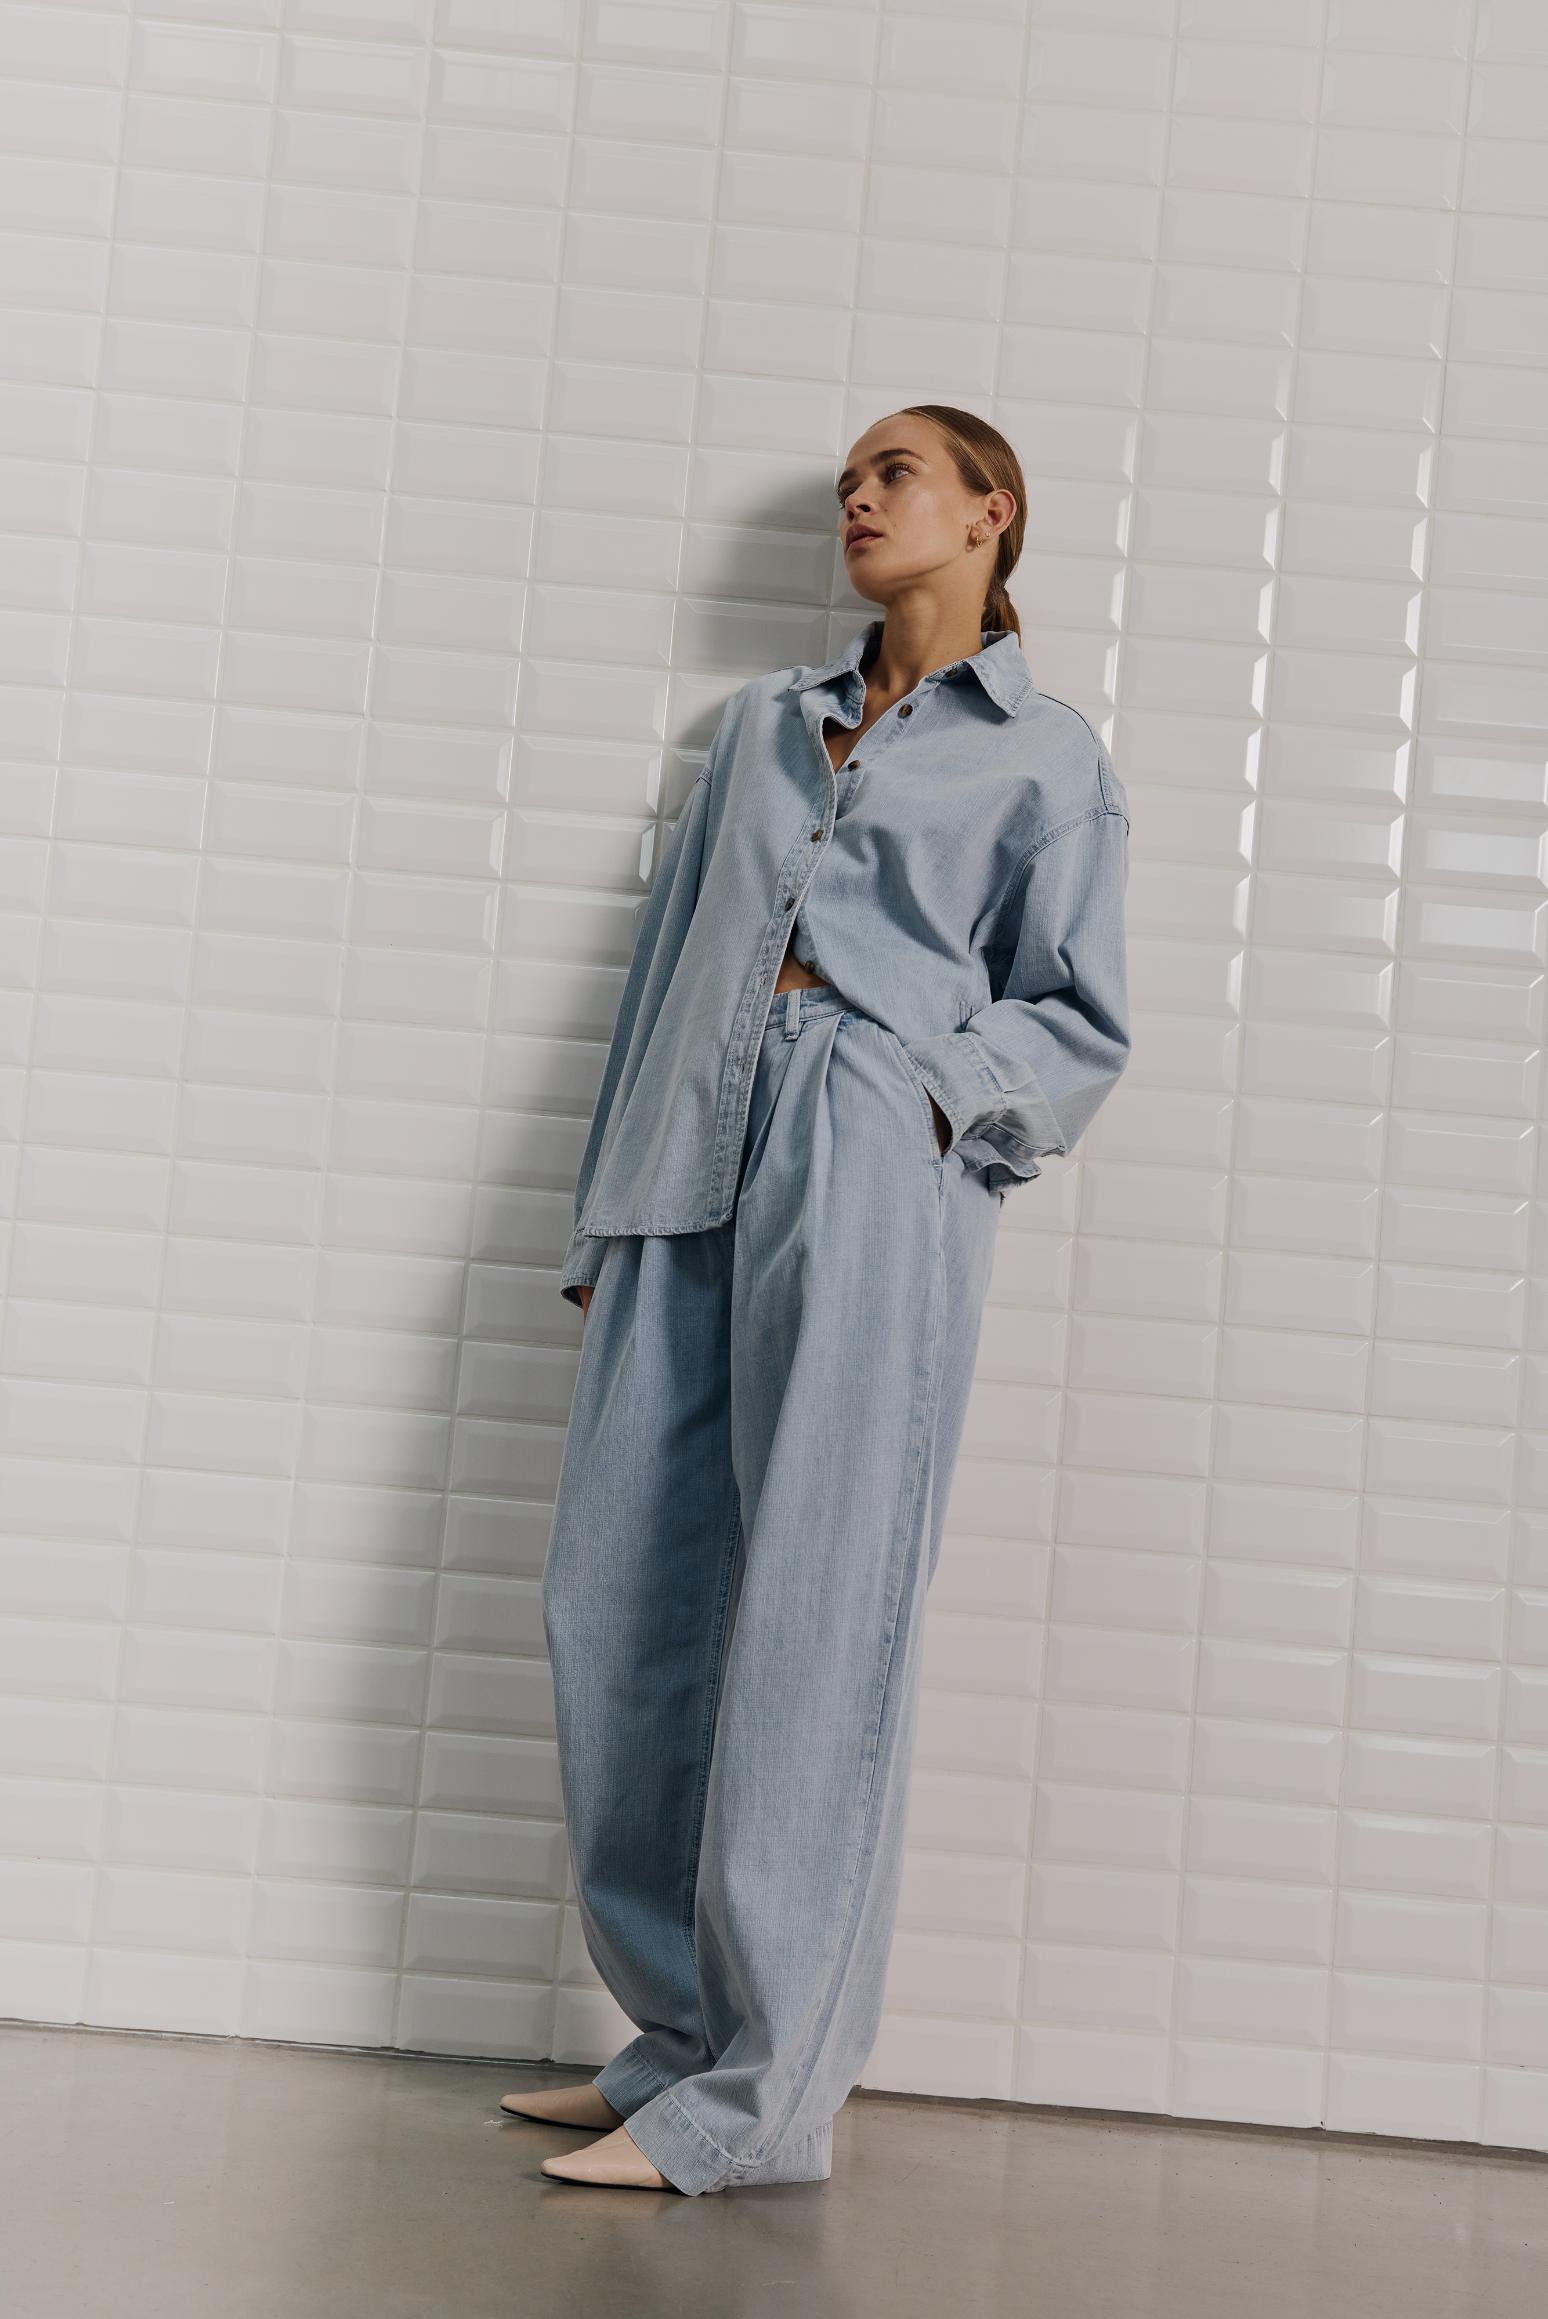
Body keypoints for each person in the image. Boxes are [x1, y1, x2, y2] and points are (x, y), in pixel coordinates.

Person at [503, 405, 1133, 2194]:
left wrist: (926, 1097)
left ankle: (762, 2103)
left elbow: (1077, 1022)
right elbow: (662, 972)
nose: (859, 498)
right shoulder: (765, 728)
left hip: (869, 1161)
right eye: (850, 481)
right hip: (683, 1153)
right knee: (615, 1599)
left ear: (991, 514)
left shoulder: (1046, 761)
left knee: (815, 1614)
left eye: (895, 474)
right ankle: (679, 2043)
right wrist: (602, 1214)